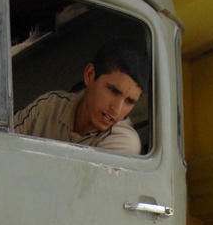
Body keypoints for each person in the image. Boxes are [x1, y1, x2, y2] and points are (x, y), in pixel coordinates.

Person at [13, 38, 147, 154]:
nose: (117, 109)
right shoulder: (50, 106)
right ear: (90, 75)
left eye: (129, 101)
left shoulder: (124, 142)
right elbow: (1, 142)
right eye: (113, 90)